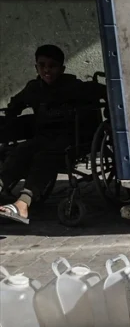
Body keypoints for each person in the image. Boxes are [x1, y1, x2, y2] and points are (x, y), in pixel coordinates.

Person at [1, 45, 98, 225]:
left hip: (69, 140)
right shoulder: (34, 88)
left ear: (62, 69)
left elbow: (101, 93)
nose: (47, 70)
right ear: (36, 67)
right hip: (43, 136)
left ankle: (23, 204)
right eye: (42, 65)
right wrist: (11, 114)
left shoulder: (75, 87)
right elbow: (16, 103)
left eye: (52, 66)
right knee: (21, 151)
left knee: (44, 157)